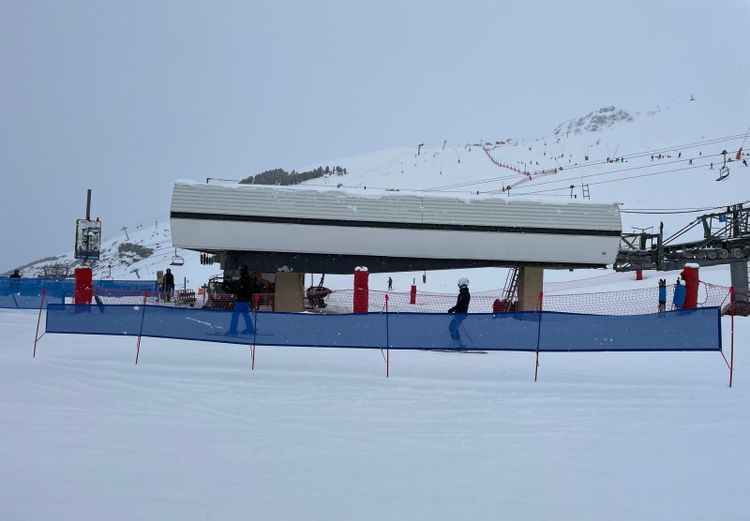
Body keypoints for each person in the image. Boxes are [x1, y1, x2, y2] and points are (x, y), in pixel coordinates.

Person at [226, 266, 260, 336]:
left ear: (241, 271)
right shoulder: (248, 279)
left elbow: (238, 290)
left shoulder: (242, 279)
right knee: (245, 314)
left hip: (241, 300)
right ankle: (250, 329)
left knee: (235, 315)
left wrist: (229, 286)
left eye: (239, 270)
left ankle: (233, 330)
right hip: (247, 300)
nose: (238, 272)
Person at [447, 277, 471, 347]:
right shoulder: (462, 293)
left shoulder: (465, 293)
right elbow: (459, 304)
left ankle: (457, 344)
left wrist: (452, 309)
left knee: (452, 327)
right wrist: (454, 310)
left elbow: (460, 304)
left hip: (461, 314)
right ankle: (457, 343)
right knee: (453, 327)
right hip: (459, 314)